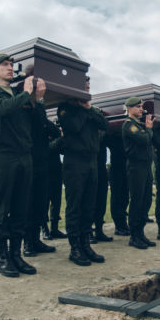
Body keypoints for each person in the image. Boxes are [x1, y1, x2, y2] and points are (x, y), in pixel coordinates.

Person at [0, 53, 45, 278]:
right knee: (0, 208)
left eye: (11, 65)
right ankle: (3, 258)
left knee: (20, 208)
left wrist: (38, 100)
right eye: (4, 65)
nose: (10, 68)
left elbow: (38, 125)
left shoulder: (19, 95)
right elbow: (2, 110)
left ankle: (17, 255)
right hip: (2, 156)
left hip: (24, 155)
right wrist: (26, 94)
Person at [57, 83, 111, 266]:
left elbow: (105, 125)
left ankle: (86, 244)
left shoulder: (91, 109)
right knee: (75, 206)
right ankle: (75, 248)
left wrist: (89, 109)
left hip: (92, 161)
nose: (87, 91)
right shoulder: (65, 109)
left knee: (89, 205)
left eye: (88, 87)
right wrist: (83, 109)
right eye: (84, 87)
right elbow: (75, 128)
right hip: (75, 161)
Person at [23, 94, 59, 256]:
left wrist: (44, 121)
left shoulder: (42, 120)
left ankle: (36, 239)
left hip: (42, 164)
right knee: (28, 204)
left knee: (41, 203)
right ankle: (27, 243)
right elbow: (41, 126)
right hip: (29, 163)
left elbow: (55, 132)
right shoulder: (26, 118)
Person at [122, 97, 156, 248]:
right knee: (136, 201)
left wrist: (147, 130)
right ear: (129, 108)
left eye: (141, 107)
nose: (141, 109)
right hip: (136, 167)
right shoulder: (129, 125)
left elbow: (148, 139)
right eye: (138, 107)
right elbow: (143, 140)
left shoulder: (139, 125)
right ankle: (134, 236)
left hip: (146, 166)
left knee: (146, 200)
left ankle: (141, 233)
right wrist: (149, 129)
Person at [106, 132, 130, 235]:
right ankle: (119, 225)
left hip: (126, 168)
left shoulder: (125, 135)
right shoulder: (112, 135)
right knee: (117, 198)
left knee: (124, 197)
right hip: (116, 169)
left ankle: (123, 223)